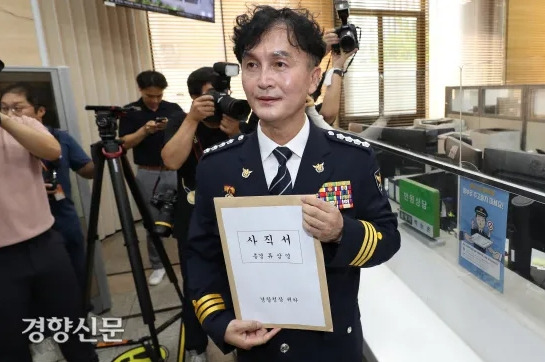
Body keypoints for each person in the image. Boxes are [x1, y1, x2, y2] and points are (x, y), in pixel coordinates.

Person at [185, 6, 401, 362]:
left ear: (314, 79)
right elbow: (201, 254)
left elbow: (387, 240)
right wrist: (219, 322)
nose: (263, 80)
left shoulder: (352, 159)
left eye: (280, 64)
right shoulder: (217, 166)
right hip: (258, 350)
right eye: (252, 65)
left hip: (334, 348)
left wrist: (340, 231)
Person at [0, 105, 98, 361]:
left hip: (46, 243)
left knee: (73, 329)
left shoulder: (21, 123)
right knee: (10, 343)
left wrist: (4, 120)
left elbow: (52, 150)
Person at [161, 66, 242, 362]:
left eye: (223, 93)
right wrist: (193, 119)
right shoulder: (180, 121)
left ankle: (241, 337)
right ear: (194, 97)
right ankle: (196, 346)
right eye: (211, 96)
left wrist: (238, 134)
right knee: (197, 283)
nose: (219, 100)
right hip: (194, 216)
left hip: (236, 215)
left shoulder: (236, 118)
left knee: (240, 279)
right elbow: (171, 160)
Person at [1, 83, 94, 289]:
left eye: (17, 108)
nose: (9, 114)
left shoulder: (60, 138)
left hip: (61, 213)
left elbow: (85, 169)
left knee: (74, 272)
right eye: (4, 108)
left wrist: (107, 160)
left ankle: (81, 314)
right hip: (20, 228)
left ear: (39, 111)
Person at [119, 70, 181, 286]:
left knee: (183, 216)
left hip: (175, 170)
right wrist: (144, 130)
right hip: (147, 172)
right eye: (150, 95)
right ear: (140, 90)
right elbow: (124, 144)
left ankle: (188, 259)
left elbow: (187, 135)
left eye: (159, 96)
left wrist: (170, 127)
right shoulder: (130, 112)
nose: (155, 100)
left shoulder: (172, 109)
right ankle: (157, 265)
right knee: (152, 220)